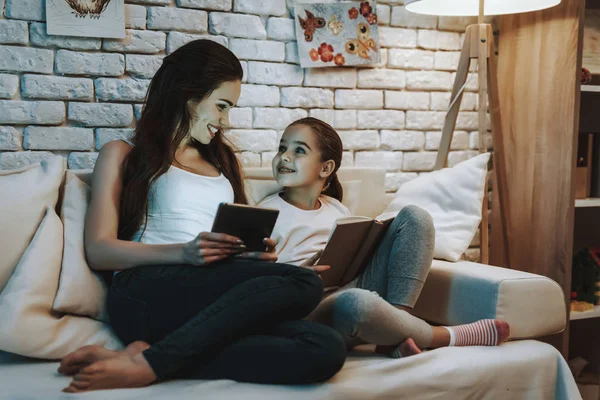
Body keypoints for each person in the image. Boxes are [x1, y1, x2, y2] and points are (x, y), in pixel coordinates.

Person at [56, 40, 346, 393]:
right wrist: (184, 252)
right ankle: (150, 365)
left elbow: (218, 247)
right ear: (187, 94)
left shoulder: (222, 163)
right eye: (221, 106)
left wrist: (251, 258)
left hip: (208, 300)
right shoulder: (122, 154)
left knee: (325, 348)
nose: (225, 121)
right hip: (145, 293)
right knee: (304, 283)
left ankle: (150, 354)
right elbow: (99, 249)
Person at [258, 117, 510, 358]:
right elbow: (253, 286)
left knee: (415, 217)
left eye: (298, 150)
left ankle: (396, 328)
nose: (285, 156)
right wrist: (299, 277)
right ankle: (444, 336)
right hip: (312, 307)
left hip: (349, 284)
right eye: (282, 148)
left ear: (326, 168)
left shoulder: (336, 209)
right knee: (357, 302)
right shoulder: (264, 212)